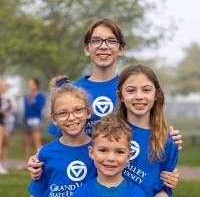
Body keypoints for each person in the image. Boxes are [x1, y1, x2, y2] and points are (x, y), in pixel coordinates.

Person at [27, 19, 181, 186]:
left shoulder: (131, 88)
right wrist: (37, 159)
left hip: (125, 178)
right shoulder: (71, 92)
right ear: (87, 48)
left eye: (111, 40)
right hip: (85, 178)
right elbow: (61, 142)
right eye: (96, 40)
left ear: (121, 48)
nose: (103, 46)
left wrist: (170, 138)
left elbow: (149, 129)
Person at [115, 64, 179, 196]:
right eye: (131, 90)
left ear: (156, 94)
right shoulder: (108, 132)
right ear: (120, 95)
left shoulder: (167, 140)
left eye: (146, 90)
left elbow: (165, 188)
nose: (139, 96)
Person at [28, 81, 96, 197]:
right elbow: (36, 193)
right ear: (54, 119)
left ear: (88, 112)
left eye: (78, 110)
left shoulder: (98, 150)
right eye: (63, 113)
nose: (71, 118)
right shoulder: (45, 153)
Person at [73, 114, 146, 197]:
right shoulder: (81, 193)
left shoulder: (137, 194)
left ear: (128, 156)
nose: (111, 158)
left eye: (119, 152)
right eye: (103, 150)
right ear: (91, 152)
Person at [22, 78, 46, 161]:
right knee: (26, 143)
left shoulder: (41, 96)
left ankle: (38, 161)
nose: (30, 85)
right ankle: (26, 163)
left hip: (36, 120)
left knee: (37, 142)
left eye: (32, 83)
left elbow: (39, 108)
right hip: (26, 120)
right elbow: (25, 109)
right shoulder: (26, 96)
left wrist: (33, 101)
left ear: (36, 85)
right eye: (29, 83)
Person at [0, 78, 16, 173]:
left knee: (3, 143)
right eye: (1, 85)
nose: (3, 87)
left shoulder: (6, 97)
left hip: (3, 121)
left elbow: (13, 107)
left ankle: (2, 164)